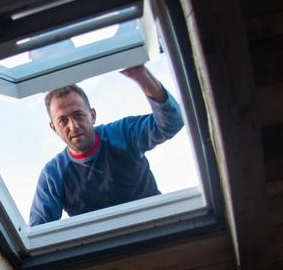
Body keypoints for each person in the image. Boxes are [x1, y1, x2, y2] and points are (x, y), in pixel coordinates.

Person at [27, 65, 185, 225]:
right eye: (63, 121)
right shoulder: (53, 175)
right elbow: (38, 230)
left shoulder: (122, 134)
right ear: (54, 128)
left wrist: (140, 74)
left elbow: (172, 122)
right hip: (104, 248)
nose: (73, 126)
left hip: (159, 230)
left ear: (92, 116)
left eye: (78, 115)